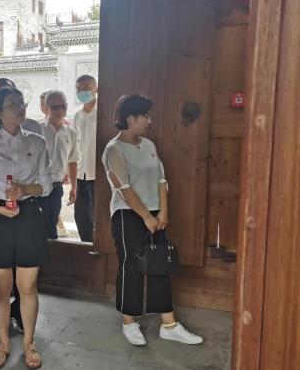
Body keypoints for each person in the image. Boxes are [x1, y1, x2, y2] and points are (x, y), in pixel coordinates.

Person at [102, 94, 203, 346]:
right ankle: (129, 323)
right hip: (127, 214)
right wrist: (146, 216)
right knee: (131, 266)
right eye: (145, 116)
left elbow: (161, 180)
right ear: (130, 118)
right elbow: (123, 188)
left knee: (160, 264)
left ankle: (169, 325)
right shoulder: (113, 149)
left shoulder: (148, 145)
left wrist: (163, 212)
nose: (149, 121)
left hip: (156, 214)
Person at [0, 88, 51, 370]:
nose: (20, 108)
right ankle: (3, 342)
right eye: (12, 104)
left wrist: (25, 189)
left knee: (27, 286)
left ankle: (29, 343)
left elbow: (47, 184)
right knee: (1, 288)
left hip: (28, 216)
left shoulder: (37, 142)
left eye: (21, 103)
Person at [40, 90, 79, 240]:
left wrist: (74, 187)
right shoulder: (38, 130)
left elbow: (72, 160)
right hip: (36, 185)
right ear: (46, 108)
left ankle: (48, 251)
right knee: (37, 225)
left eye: (63, 106)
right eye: (55, 107)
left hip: (56, 187)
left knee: (51, 225)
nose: (60, 111)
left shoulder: (71, 133)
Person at [73, 75, 98, 242]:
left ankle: (100, 247)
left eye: (87, 88)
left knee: (99, 215)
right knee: (81, 216)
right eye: (79, 89)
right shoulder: (77, 115)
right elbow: (75, 145)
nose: (82, 92)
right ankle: (87, 246)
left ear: (96, 89)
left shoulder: (104, 113)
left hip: (98, 174)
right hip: (81, 174)